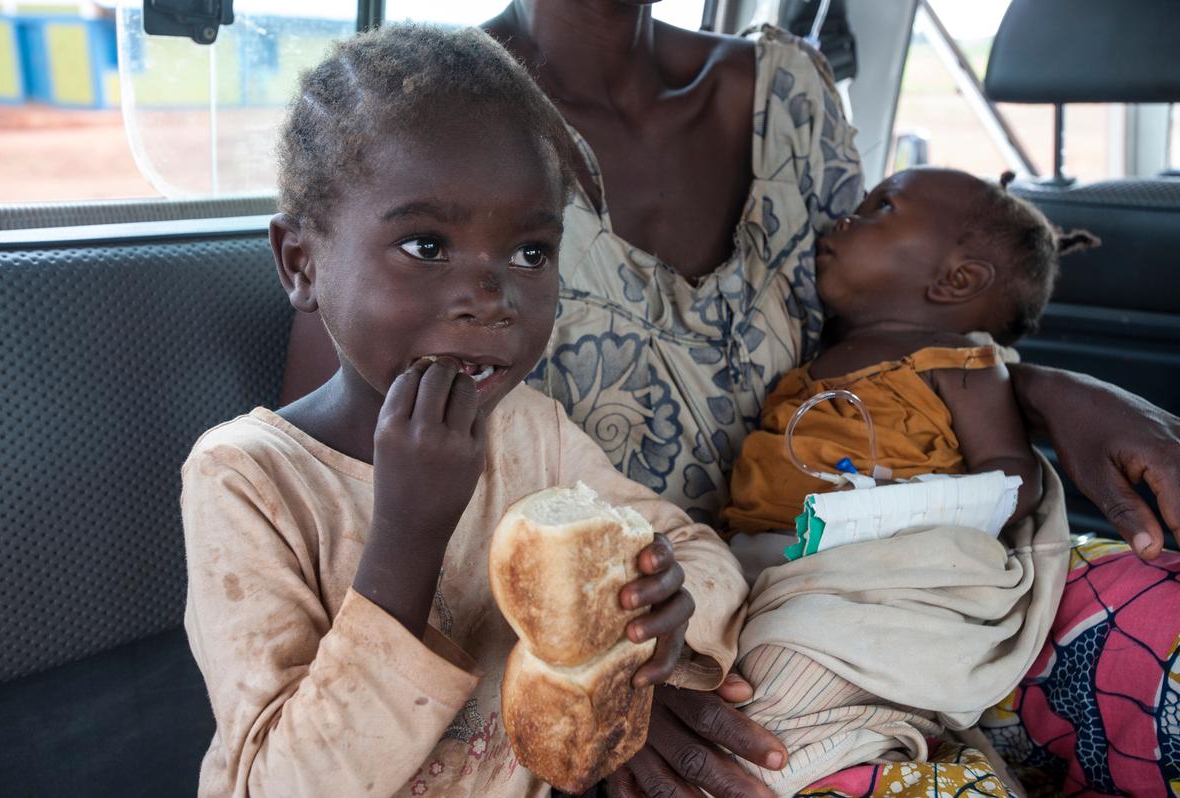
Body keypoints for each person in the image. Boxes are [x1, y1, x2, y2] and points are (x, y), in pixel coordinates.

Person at [280, 3, 1180, 795]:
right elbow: (354, 516)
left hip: (898, 565)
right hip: (662, 662)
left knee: (1159, 621)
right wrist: (596, 677)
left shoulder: (789, 96)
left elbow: (885, 329)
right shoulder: (417, 132)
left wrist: (1049, 389)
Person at [181, 25, 759, 797]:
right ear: (302, 263)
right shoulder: (248, 478)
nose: (492, 296)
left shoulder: (531, 431)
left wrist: (672, 607)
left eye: (530, 253)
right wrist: (407, 535)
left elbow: (691, 548)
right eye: (426, 246)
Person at [717, 167, 1094, 795]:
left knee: (789, 661)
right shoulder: (812, 361)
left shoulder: (958, 361)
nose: (844, 219)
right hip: (777, 569)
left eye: (881, 208)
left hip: (885, 573)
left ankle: (842, 744)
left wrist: (901, 505)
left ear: (957, 280)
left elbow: (1015, 478)